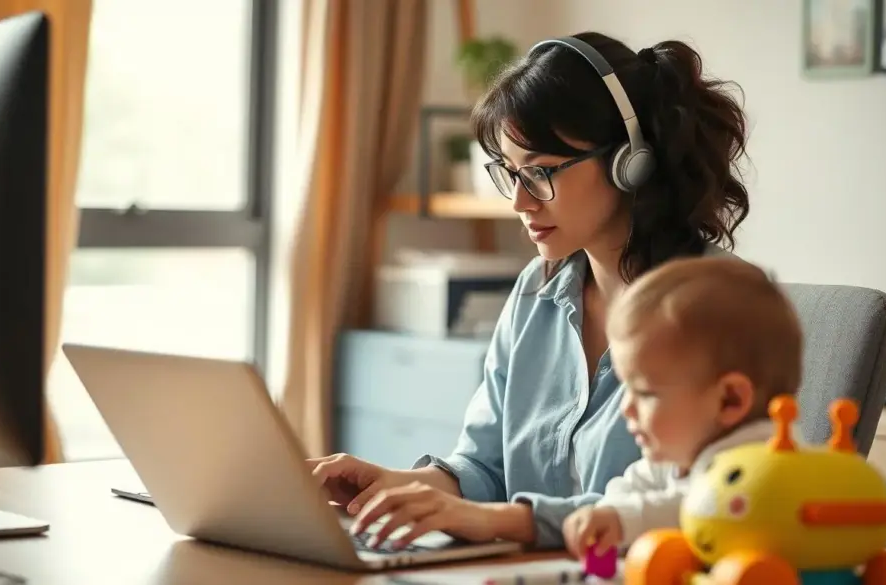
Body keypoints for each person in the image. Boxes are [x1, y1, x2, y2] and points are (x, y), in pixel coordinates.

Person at [308, 31, 751, 550]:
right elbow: (483, 467)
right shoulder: (534, 293)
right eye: (509, 173)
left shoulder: (720, 306)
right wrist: (394, 486)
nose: (520, 201)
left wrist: (500, 523)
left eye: (540, 173)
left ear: (631, 161)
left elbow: (690, 505)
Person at [561, 256, 804, 558]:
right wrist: (608, 509)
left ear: (730, 400)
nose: (626, 408)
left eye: (646, 393)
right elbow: (633, 484)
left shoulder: (764, 456)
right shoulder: (680, 454)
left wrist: (625, 519)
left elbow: (705, 506)